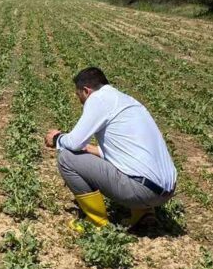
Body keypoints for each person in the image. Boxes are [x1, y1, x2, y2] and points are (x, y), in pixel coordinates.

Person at [45, 67, 178, 230]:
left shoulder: (98, 99)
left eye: (79, 96)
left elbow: (74, 143)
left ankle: (96, 223)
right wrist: (94, 150)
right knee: (124, 165)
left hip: (142, 191)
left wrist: (57, 137)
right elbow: (129, 151)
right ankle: (143, 213)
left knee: (67, 158)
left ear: (86, 91)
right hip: (166, 191)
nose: (80, 102)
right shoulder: (128, 101)